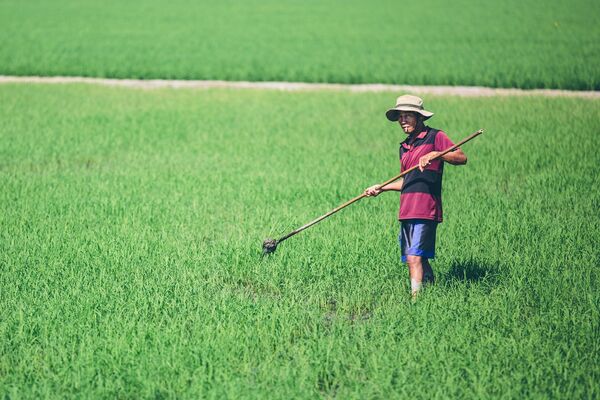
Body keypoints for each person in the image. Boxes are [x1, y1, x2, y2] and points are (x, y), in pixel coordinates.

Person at [364, 95, 467, 298]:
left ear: (419, 117)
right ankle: (431, 293)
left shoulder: (435, 137)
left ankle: (415, 301)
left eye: (407, 116)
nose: (403, 121)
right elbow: (406, 181)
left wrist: (437, 154)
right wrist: (381, 188)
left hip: (425, 208)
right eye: (400, 117)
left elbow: (461, 157)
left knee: (414, 257)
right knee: (419, 258)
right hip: (407, 210)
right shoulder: (404, 147)